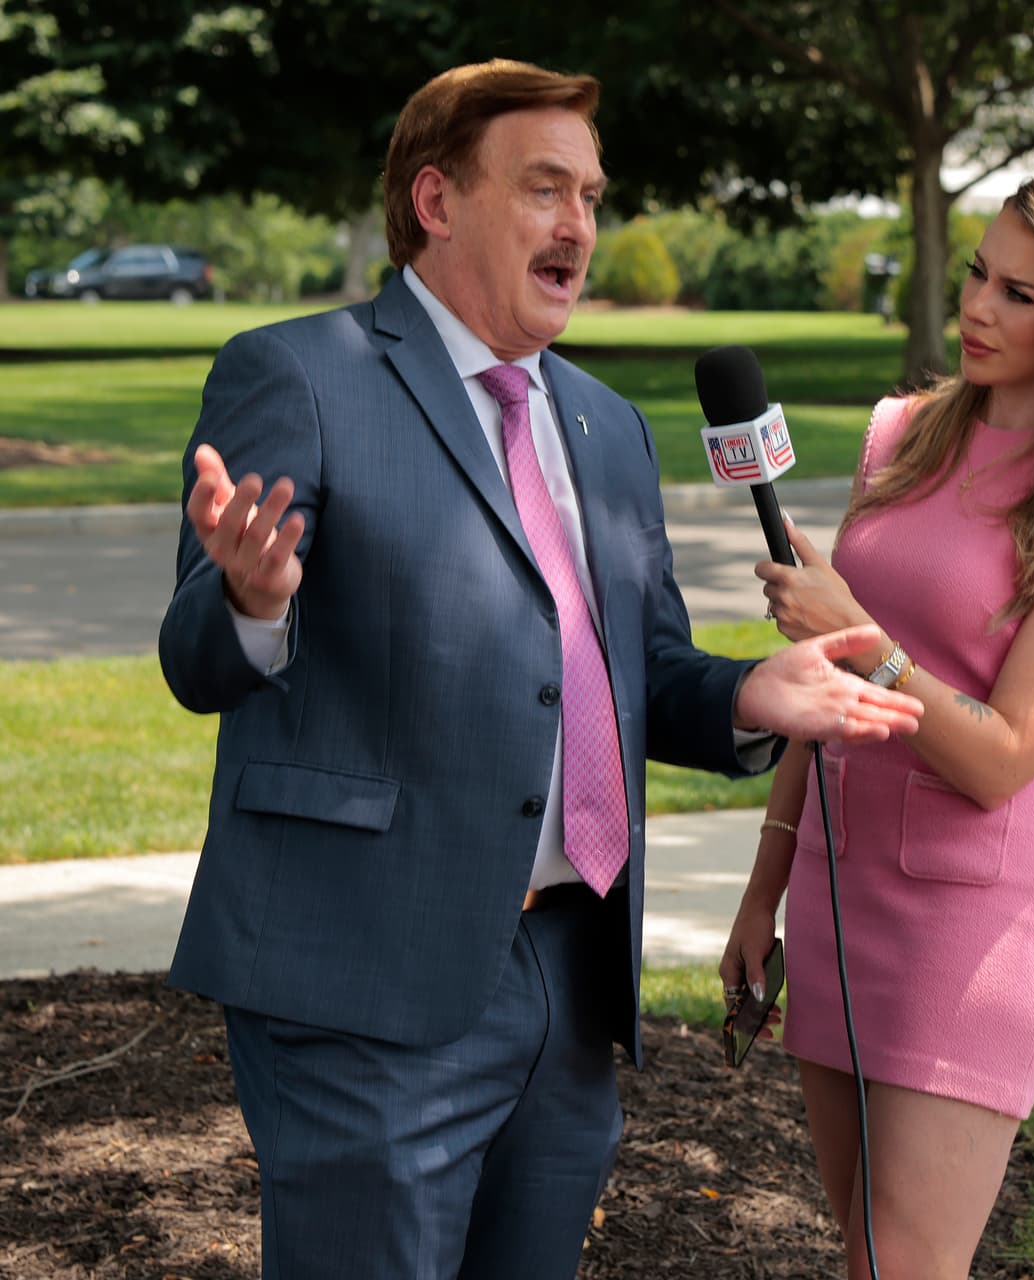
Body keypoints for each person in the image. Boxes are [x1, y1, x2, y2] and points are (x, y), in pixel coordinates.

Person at [157, 59, 920, 1280]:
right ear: (438, 201)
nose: (581, 228)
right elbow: (195, 657)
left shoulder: (607, 426)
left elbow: (634, 665)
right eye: (546, 190)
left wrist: (744, 695)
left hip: (570, 980)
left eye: (593, 196)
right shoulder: (301, 371)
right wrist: (252, 601)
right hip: (363, 980)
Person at [719, 169, 1034, 1278]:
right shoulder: (902, 436)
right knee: (861, 1252)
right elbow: (821, 688)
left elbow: (1005, 756)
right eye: (981, 273)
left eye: (1020, 295)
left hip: (967, 932)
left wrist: (862, 631)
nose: (978, 307)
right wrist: (764, 883)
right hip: (838, 894)